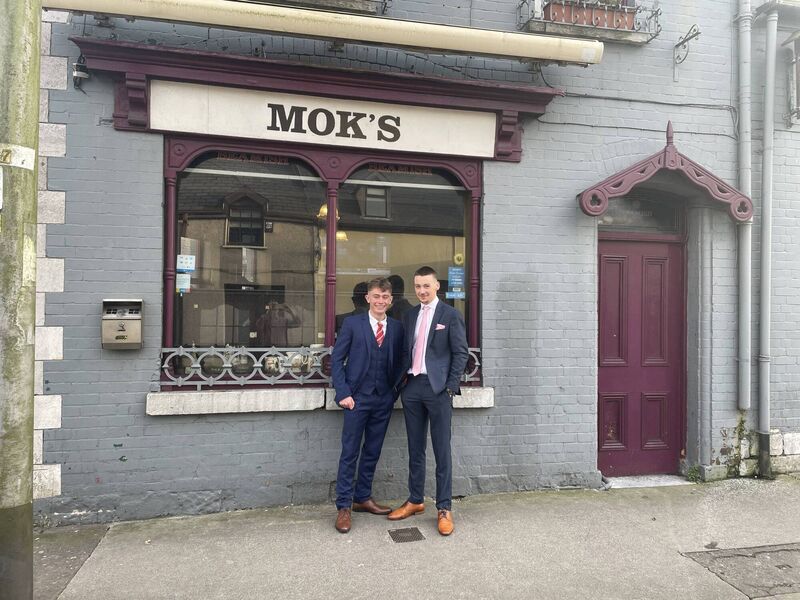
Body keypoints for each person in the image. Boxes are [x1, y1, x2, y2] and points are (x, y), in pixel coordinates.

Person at [387, 266, 468, 536]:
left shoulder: (450, 315)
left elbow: (460, 354)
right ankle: (415, 500)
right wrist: (401, 383)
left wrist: (450, 388)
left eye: (426, 286)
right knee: (415, 448)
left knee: (442, 450)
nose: (422, 291)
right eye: (418, 286)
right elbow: (404, 351)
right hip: (412, 387)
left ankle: (444, 507)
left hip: (438, 390)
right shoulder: (409, 315)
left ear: (436, 287)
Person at [331, 277, 406, 534]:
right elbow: (337, 358)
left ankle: (363, 497)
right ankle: (344, 506)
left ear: (391, 300)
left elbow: (401, 361)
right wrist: (344, 393)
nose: (381, 301)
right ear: (368, 298)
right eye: (376, 296)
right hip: (356, 399)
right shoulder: (352, 324)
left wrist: (393, 391)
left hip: (382, 399)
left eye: (385, 297)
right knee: (350, 452)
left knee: (372, 451)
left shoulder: (396, 328)